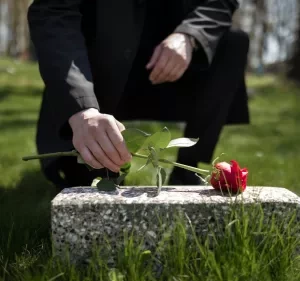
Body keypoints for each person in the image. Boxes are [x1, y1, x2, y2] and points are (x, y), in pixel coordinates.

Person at [27, 0, 250, 190]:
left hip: (167, 69)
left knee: (232, 41)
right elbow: (53, 13)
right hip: (96, 74)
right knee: (92, 180)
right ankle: (94, 145)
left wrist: (190, 35)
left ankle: (188, 170)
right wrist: (81, 109)